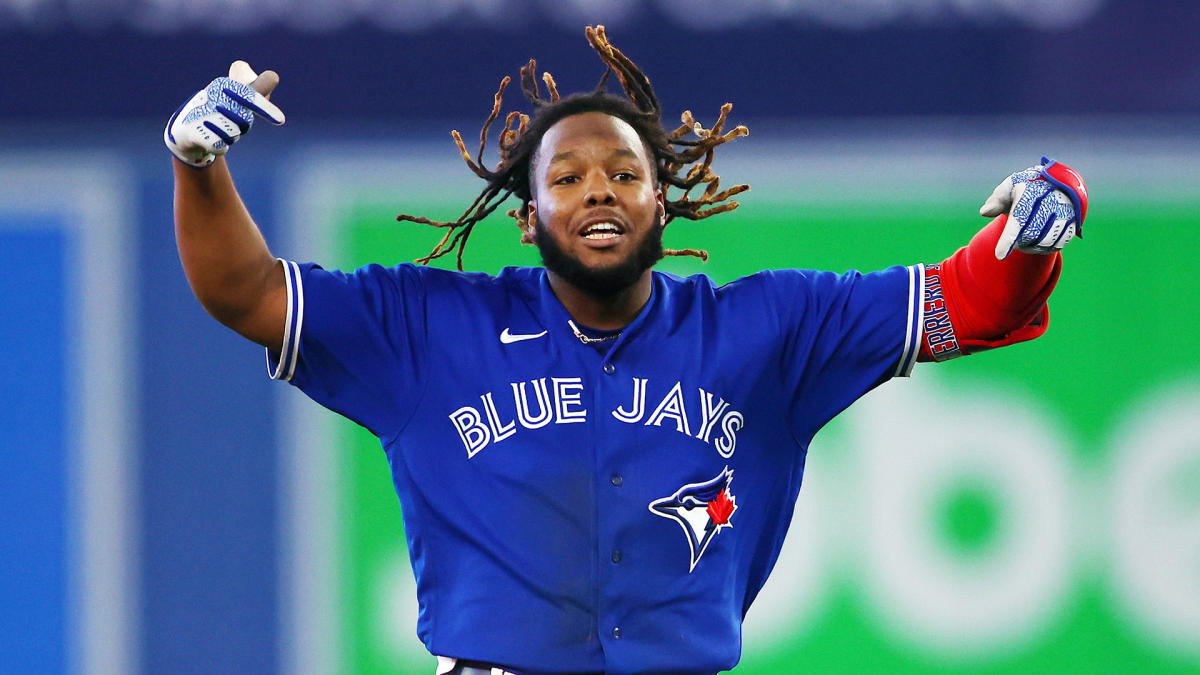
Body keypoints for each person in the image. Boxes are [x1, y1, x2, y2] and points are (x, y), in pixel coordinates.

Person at [166, 26, 1086, 675]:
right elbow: (244, 289)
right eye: (566, 179)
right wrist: (198, 165)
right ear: (528, 219)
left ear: (661, 203)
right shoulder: (428, 328)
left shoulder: (765, 332)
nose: (597, 192)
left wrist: (1039, 226)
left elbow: (968, 302)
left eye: (624, 174)